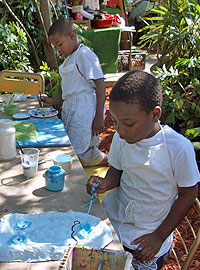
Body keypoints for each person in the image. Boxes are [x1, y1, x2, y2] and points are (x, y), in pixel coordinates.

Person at [87, 70, 200, 270]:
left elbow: (188, 195)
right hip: (116, 227)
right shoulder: (123, 138)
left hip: (148, 239)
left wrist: (158, 237)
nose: (120, 130)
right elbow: (117, 170)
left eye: (128, 123)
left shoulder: (178, 148)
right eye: (115, 121)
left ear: (155, 114)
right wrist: (105, 182)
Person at [41, 18, 107, 167]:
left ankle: (107, 161)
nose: (59, 50)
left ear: (72, 36)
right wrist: (54, 100)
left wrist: (98, 117)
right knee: (73, 145)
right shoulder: (70, 59)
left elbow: (100, 84)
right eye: (55, 47)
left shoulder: (85, 54)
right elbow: (71, 90)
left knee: (80, 149)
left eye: (60, 44)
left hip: (86, 110)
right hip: (72, 110)